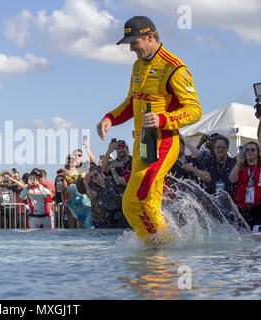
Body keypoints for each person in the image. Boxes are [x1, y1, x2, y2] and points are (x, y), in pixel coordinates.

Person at [96, 16, 201, 244]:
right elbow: (131, 102)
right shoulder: (138, 65)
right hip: (142, 144)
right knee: (149, 205)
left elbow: (194, 110)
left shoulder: (174, 68)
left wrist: (163, 119)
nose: (131, 48)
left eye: (134, 42)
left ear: (150, 36)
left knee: (134, 202)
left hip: (163, 143)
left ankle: (159, 250)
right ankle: (163, 256)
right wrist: (110, 118)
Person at [229, 141, 261, 231]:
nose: (250, 152)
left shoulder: (260, 166)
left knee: (256, 233)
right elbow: (232, 179)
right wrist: (237, 164)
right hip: (242, 207)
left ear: (258, 152)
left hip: (258, 206)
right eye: (247, 150)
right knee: (244, 236)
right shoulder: (240, 166)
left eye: (253, 150)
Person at [201, 135, 237, 199]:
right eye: (218, 147)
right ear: (214, 148)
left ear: (227, 148)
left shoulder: (233, 163)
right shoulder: (207, 162)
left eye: (223, 147)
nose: (220, 149)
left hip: (230, 202)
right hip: (211, 202)